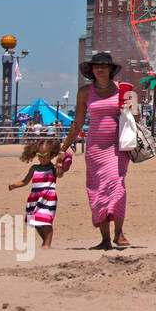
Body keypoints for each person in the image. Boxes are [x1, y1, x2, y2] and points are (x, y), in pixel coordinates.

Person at [61, 52, 132, 250]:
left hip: (117, 146)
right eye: (96, 66)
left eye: (103, 66)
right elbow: (78, 123)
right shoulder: (85, 92)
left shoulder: (122, 90)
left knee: (117, 186)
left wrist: (131, 107)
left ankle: (119, 233)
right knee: (98, 191)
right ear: (91, 70)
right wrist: (64, 147)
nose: (99, 69)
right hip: (94, 149)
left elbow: (135, 117)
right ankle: (105, 239)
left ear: (111, 69)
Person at [9, 138, 69, 248]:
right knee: (34, 221)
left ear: (51, 155)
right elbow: (25, 181)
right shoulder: (34, 168)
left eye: (44, 155)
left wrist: (60, 167)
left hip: (48, 198)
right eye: (39, 155)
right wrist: (14, 185)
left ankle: (47, 244)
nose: (41, 158)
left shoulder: (52, 168)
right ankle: (45, 240)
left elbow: (59, 175)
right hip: (34, 198)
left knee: (46, 221)